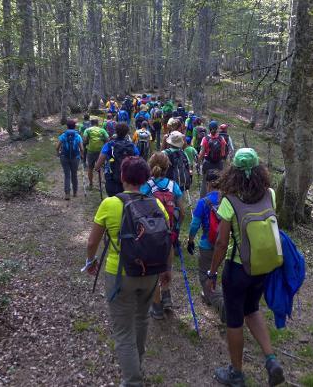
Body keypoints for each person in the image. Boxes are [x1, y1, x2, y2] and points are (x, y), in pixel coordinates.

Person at [85, 156, 170, 387]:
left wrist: (90, 261)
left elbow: (92, 241)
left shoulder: (110, 204)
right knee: (142, 318)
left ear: (122, 177)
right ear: (145, 179)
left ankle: (133, 381)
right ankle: (137, 364)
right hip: (151, 273)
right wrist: (166, 272)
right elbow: (166, 241)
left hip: (119, 274)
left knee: (123, 330)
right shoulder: (157, 205)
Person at [208, 148, 284, 387]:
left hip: (239, 269)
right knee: (252, 309)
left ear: (233, 171)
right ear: (259, 170)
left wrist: (212, 271)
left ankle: (236, 373)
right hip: (263, 266)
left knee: (234, 319)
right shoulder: (270, 194)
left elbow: (221, 243)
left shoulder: (229, 200)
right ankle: (271, 359)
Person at [140, 152, 185, 319]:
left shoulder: (146, 186)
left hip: (151, 235)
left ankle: (157, 308)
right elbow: (183, 211)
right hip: (169, 234)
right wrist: (176, 227)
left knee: (153, 271)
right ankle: (167, 297)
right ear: (168, 168)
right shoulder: (174, 186)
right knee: (167, 268)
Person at [187, 169, 225, 321]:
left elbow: (195, 224)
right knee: (213, 271)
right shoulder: (227, 200)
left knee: (204, 275)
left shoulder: (203, 202)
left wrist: (190, 240)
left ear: (208, 184)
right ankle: (211, 294)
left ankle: (220, 302)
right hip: (223, 245)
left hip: (207, 244)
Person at [94, 123, 139, 197]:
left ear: (116, 132)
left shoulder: (109, 145)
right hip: (128, 176)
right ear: (126, 133)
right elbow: (137, 160)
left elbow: (100, 160)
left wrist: (97, 167)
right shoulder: (132, 146)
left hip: (111, 176)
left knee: (113, 197)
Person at [197, 120, 227, 197]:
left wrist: (198, 163)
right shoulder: (221, 139)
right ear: (217, 128)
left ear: (209, 128)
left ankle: (203, 200)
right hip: (218, 164)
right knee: (218, 183)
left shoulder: (205, 139)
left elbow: (202, 153)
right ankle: (217, 200)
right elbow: (223, 154)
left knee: (204, 183)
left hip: (207, 164)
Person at [56, 120, 84, 200]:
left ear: (67, 126)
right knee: (74, 174)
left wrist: (58, 153)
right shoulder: (78, 136)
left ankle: (67, 194)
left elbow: (57, 147)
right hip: (75, 158)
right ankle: (75, 193)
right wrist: (82, 155)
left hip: (64, 157)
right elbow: (81, 148)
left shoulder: (63, 135)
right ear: (74, 126)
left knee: (67, 175)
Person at [83, 118, 109, 190]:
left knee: (90, 168)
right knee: (101, 168)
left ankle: (91, 184)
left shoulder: (87, 130)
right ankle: (101, 184)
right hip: (100, 152)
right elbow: (107, 139)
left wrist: (86, 143)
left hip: (90, 151)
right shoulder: (102, 130)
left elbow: (84, 140)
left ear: (91, 123)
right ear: (97, 123)